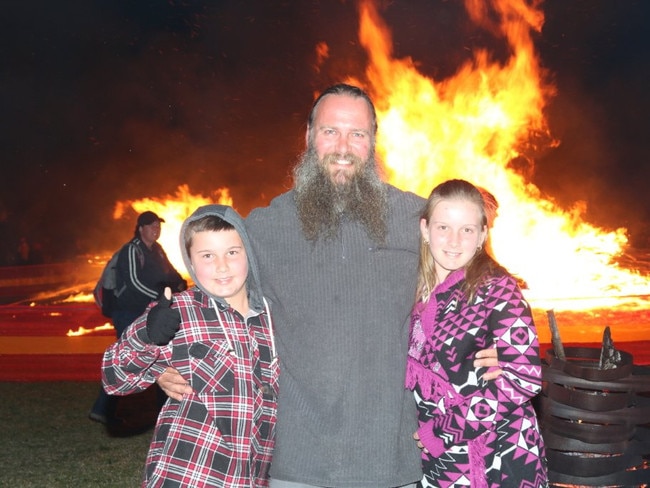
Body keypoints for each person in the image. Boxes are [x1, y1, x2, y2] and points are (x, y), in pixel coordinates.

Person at [158, 83, 500, 487]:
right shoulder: (266, 227)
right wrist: (168, 356)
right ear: (308, 137)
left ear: (372, 142)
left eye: (357, 134)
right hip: (296, 457)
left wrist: (492, 341)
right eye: (330, 131)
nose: (343, 146)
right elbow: (217, 295)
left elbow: (476, 279)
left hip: (389, 457)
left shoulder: (415, 219)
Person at [102, 204, 279, 487]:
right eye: (207, 255)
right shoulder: (180, 313)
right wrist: (146, 337)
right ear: (191, 262)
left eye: (232, 252)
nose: (222, 266)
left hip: (255, 476)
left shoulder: (274, 319)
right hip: (190, 473)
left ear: (250, 253)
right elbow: (114, 379)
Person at [405, 179, 547, 487]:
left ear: (482, 234)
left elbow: (524, 379)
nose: (454, 241)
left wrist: (444, 430)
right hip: (439, 461)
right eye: (444, 227)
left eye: (467, 230)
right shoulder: (408, 288)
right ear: (424, 228)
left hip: (499, 454)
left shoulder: (498, 289)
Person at [90, 210, 187, 426]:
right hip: (128, 313)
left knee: (162, 358)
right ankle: (103, 409)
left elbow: (169, 272)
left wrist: (180, 282)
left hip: (147, 313)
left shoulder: (157, 250)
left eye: (158, 226)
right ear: (141, 228)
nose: (156, 229)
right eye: (151, 226)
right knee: (127, 360)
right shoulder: (131, 250)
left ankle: (165, 412)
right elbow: (134, 283)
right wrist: (161, 297)